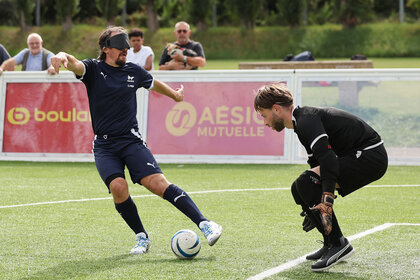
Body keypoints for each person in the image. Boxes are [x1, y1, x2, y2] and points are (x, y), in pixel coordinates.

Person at [50, 26, 222, 255]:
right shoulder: (92, 69)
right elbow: (74, 63)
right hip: (104, 145)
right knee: (118, 187)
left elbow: (153, 82)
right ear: (105, 49)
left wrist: (176, 96)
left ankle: (205, 224)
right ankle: (142, 237)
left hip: (131, 141)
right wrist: (61, 56)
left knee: (158, 184)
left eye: (126, 47)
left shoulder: (133, 71)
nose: (126, 50)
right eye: (120, 46)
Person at [254, 84, 387, 272]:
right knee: (299, 187)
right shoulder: (301, 123)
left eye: (264, 116)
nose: (265, 122)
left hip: (370, 156)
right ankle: (331, 242)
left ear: (276, 109)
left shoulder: (306, 120)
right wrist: (312, 204)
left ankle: (338, 245)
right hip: (360, 155)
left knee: (305, 183)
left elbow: (328, 160)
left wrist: (325, 198)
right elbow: (316, 163)